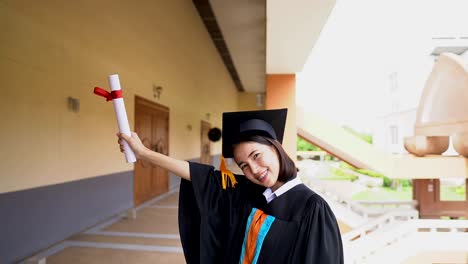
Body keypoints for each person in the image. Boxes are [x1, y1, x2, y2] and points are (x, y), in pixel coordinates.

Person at [117, 108, 343, 264]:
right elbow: (201, 177)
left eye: (257, 155)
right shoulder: (251, 194)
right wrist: (144, 153)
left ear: (276, 149)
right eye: (243, 165)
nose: (254, 169)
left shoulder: (313, 209)